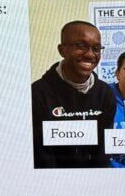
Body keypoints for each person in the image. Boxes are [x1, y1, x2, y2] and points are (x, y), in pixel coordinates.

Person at [31, 20, 115, 168]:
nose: (90, 54)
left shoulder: (105, 94)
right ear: (62, 50)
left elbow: (102, 151)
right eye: (81, 46)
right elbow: (41, 155)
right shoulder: (36, 94)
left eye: (96, 48)